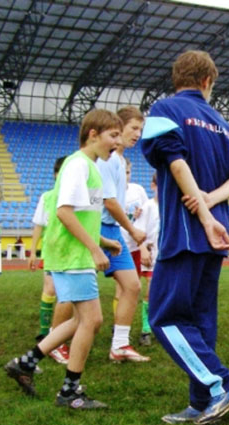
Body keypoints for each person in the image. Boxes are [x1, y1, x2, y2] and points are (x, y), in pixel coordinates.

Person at [141, 50, 229, 425]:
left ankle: (222, 385)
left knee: (164, 316)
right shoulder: (222, 123)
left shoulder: (164, 109)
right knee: (200, 319)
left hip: (189, 232)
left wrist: (203, 214)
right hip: (217, 234)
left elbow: (174, 161)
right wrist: (212, 202)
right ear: (208, 81)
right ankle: (202, 403)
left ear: (179, 79)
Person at [4, 109, 123, 409]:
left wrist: (103, 241)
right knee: (92, 319)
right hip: (72, 256)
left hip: (74, 253)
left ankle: (26, 363)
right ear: (93, 134)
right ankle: (70, 392)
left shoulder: (91, 168)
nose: (118, 142)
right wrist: (95, 250)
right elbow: (63, 212)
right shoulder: (78, 165)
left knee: (80, 320)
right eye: (113, 135)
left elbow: (79, 216)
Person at [97, 105, 149, 363]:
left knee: (132, 286)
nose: (138, 134)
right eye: (134, 128)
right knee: (75, 293)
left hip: (111, 229)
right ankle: (51, 340)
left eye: (141, 129)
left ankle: (119, 345)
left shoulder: (118, 160)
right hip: (97, 228)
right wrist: (132, 230)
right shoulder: (107, 160)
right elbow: (109, 202)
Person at [28, 156, 72, 364]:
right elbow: (39, 225)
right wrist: (32, 251)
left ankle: (56, 332)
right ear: (56, 175)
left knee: (65, 293)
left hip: (69, 252)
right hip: (51, 250)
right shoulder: (47, 197)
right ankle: (47, 332)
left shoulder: (74, 196)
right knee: (51, 290)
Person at [120, 158, 151, 345]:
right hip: (121, 246)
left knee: (144, 287)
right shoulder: (110, 192)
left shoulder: (137, 190)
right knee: (123, 290)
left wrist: (144, 245)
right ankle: (121, 332)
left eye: (128, 172)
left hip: (139, 246)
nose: (126, 176)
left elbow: (146, 213)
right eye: (123, 172)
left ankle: (144, 329)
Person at [135, 173, 159, 347]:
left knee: (165, 292)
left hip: (168, 256)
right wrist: (144, 248)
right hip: (152, 256)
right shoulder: (148, 206)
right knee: (151, 289)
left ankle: (162, 326)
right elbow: (138, 231)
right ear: (153, 186)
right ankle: (145, 329)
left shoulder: (172, 206)